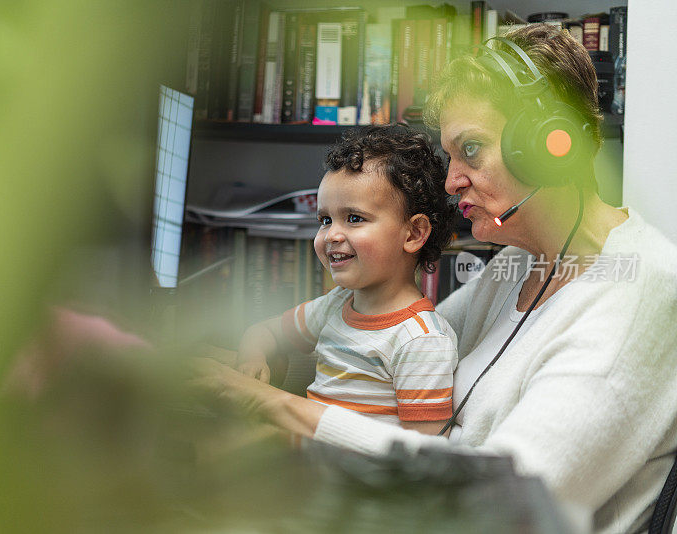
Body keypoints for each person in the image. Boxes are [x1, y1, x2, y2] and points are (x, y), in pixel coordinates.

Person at [196, 24, 677, 534]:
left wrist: (271, 406)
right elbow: (384, 349)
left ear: (549, 146)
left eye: (471, 149)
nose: (451, 181)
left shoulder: (642, 291)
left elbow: (507, 507)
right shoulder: (520, 265)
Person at [236, 125, 457, 433]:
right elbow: (263, 332)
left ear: (415, 233)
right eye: (325, 220)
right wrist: (252, 358)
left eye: (354, 218)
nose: (332, 235)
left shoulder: (421, 341)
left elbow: (420, 458)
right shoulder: (336, 305)